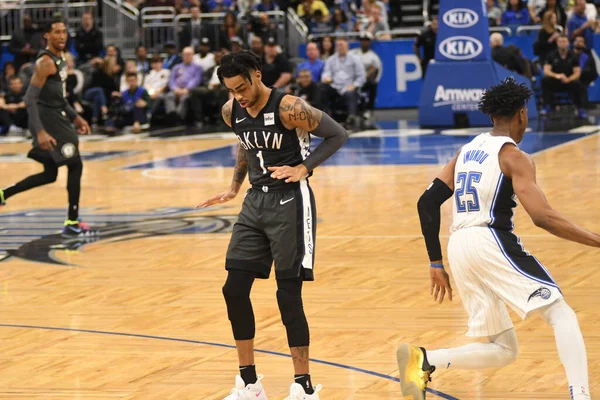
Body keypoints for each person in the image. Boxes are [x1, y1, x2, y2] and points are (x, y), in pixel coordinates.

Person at [397, 77, 595, 400]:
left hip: (459, 247)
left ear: (491, 117)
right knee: (562, 315)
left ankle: (425, 360)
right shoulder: (514, 157)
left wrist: (435, 261)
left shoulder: (466, 151)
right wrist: (595, 239)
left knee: (505, 349)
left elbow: (427, 203)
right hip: (489, 240)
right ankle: (581, 395)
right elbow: (542, 216)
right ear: (521, 115)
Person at [197, 50, 348, 400]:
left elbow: (338, 134)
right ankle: (249, 384)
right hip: (255, 201)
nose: (239, 97)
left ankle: (303, 386)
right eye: (231, 91)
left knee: (287, 294)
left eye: (241, 88)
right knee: (233, 289)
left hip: (290, 201)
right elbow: (245, 144)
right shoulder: (230, 110)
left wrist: (304, 167)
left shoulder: (289, 107)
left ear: (256, 74)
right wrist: (235, 186)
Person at [1, 16, 94, 236]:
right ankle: (72, 221)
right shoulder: (45, 63)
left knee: (50, 174)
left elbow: (58, 97)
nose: (62, 36)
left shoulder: (61, 58)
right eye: (57, 32)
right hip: (48, 122)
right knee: (75, 164)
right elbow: (30, 99)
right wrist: (40, 131)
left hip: (57, 116)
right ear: (47, 36)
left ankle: (3, 194)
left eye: (64, 31)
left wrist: (75, 117)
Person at [321, 38, 366, 129]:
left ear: (347, 46)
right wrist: (326, 78)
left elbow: (361, 76)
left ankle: (352, 118)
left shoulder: (355, 59)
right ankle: (324, 116)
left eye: (342, 45)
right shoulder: (331, 59)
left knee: (351, 93)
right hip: (335, 86)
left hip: (348, 87)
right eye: (338, 45)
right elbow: (326, 73)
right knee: (322, 88)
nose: (340, 47)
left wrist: (354, 85)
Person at [541, 34, 585, 117]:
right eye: (560, 41)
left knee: (578, 83)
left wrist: (569, 79)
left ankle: (579, 108)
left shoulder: (573, 56)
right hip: (555, 81)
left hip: (569, 81)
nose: (562, 43)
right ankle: (547, 106)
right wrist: (557, 76)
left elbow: (577, 72)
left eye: (564, 41)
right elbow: (546, 71)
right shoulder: (551, 55)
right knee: (545, 81)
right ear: (557, 43)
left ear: (568, 43)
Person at [350, 32, 382, 120]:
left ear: (370, 42)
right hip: (351, 80)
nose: (364, 43)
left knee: (373, 84)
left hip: (364, 81)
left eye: (366, 41)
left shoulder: (373, 57)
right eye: (363, 40)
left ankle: (369, 109)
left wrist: (365, 76)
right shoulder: (353, 53)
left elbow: (376, 71)